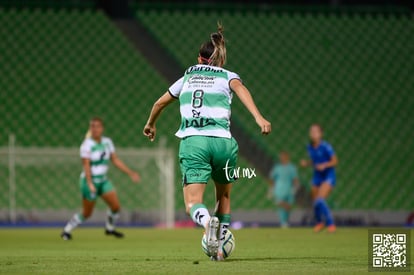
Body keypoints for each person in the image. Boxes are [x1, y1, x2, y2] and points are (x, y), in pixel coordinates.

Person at [143, 23, 271, 260]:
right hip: (224, 143)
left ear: (198, 58)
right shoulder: (228, 75)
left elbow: (159, 103)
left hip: (195, 143)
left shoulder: (188, 76)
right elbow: (241, 89)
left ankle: (206, 223)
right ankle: (219, 249)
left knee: (193, 203)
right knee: (223, 195)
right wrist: (258, 117)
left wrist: (151, 123)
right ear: (220, 60)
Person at [61, 117, 140, 240]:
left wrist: (130, 173)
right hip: (89, 182)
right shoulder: (86, 145)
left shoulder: (107, 142)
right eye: (92, 126)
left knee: (115, 207)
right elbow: (86, 165)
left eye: (97, 126)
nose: (95, 129)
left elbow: (115, 160)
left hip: (103, 181)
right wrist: (90, 184)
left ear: (102, 128)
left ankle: (110, 228)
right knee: (87, 213)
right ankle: (67, 230)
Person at [300, 124, 338, 233]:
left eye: (316, 131)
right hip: (317, 176)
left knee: (320, 199)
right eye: (311, 131)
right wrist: (306, 163)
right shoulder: (309, 147)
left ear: (321, 134)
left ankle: (330, 224)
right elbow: (315, 161)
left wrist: (325, 165)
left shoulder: (326, 146)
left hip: (328, 175)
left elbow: (335, 161)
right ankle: (319, 223)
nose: (313, 133)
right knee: (315, 201)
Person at [268, 151, 299, 228]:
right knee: (280, 205)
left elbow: (295, 179)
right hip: (279, 188)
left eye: (283, 156)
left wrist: (295, 188)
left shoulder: (292, 168)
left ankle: (286, 221)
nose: (282, 158)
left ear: (287, 157)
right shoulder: (277, 167)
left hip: (288, 188)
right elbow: (272, 178)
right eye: (281, 157)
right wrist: (271, 189)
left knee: (289, 206)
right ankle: (283, 222)